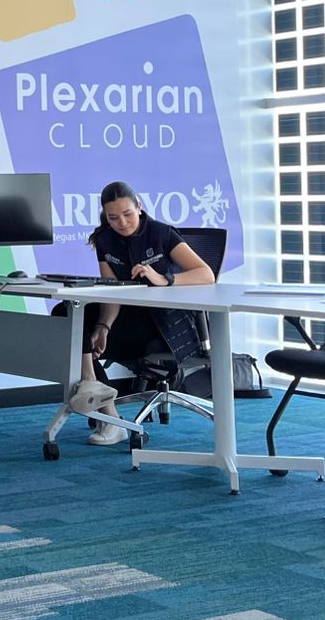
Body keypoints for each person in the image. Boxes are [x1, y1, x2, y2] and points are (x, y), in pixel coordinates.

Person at [66, 180, 214, 445]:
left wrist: (164, 279)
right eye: (113, 218)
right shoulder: (105, 240)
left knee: (79, 332)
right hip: (129, 319)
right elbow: (112, 292)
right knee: (69, 312)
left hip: (164, 326)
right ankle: (105, 407)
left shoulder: (161, 233)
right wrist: (103, 327)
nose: (122, 223)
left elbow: (206, 274)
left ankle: (103, 408)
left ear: (139, 207)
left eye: (127, 214)